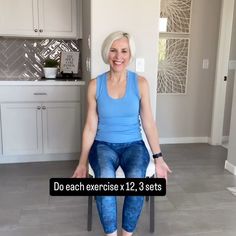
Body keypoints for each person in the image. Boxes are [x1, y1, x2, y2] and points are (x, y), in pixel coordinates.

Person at [72, 31, 171, 236]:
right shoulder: (94, 85)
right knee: (105, 179)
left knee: (136, 178)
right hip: (103, 145)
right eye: (114, 50)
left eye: (124, 51)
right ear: (106, 53)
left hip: (134, 145)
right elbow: (90, 126)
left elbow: (149, 123)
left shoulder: (141, 83)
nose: (119, 56)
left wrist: (158, 158)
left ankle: (127, 234)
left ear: (130, 54)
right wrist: (82, 162)